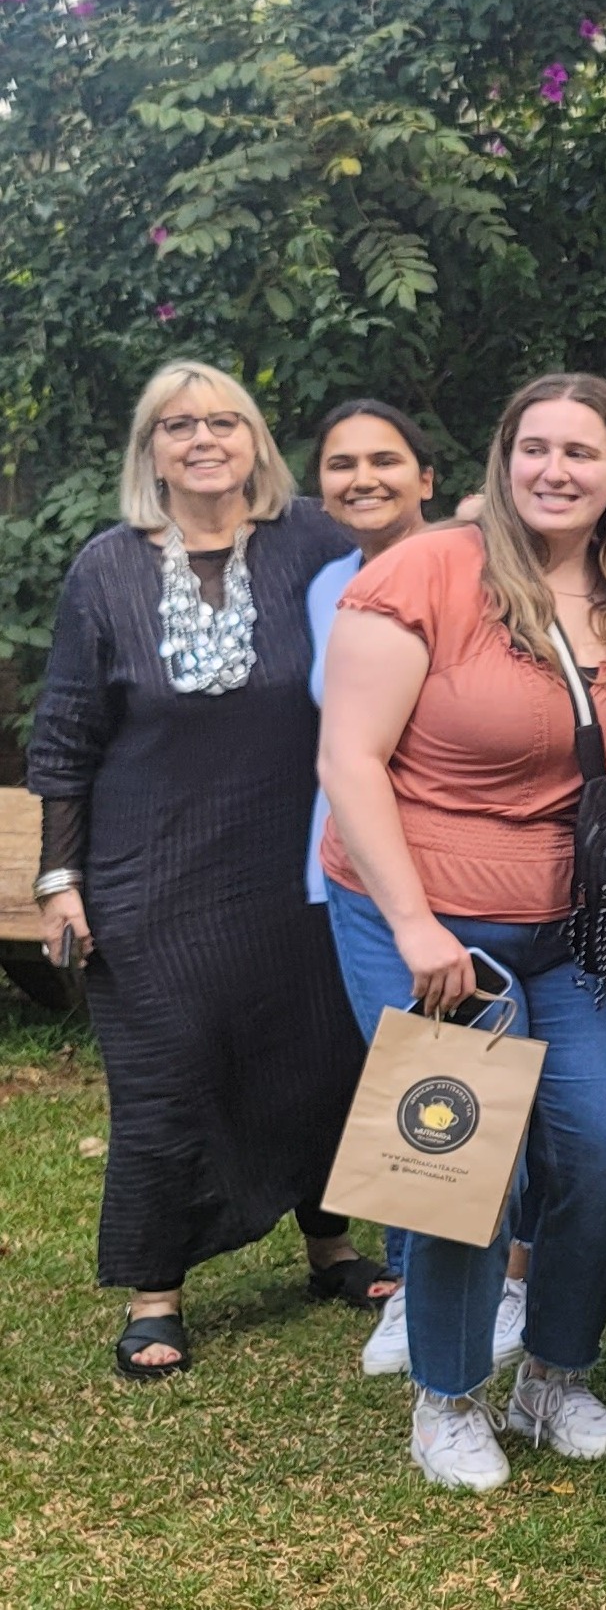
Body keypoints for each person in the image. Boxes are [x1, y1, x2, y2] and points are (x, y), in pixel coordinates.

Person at [318, 372, 606, 1492]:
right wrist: (418, 921)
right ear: (501, 458)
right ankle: (446, 1395)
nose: (555, 470)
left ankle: (554, 1373)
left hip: (576, 924)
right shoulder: (424, 570)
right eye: (535, 448)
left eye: (582, 452)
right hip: (418, 911)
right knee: (458, 1159)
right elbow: (349, 760)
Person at [28, 362, 364, 1381]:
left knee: (317, 1053)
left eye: (225, 420)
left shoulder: (316, 542)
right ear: (152, 449)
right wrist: (58, 878)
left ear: (256, 440)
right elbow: (68, 733)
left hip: (293, 863)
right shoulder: (107, 568)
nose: (204, 438)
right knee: (166, 1072)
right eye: (180, 424)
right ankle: (155, 1288)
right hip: (149, 873)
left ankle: (331, 1246)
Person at [302, 400, 510, 1382]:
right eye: (340, 464)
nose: (362, 478)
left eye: (386, 459)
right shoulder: (321, 586)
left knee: (457, 1087)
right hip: (356, 870)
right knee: (419, 1089)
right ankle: (415, 1289)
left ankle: (493, 1283)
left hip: (466, 874)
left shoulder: (474, 561)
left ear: (430, 477)